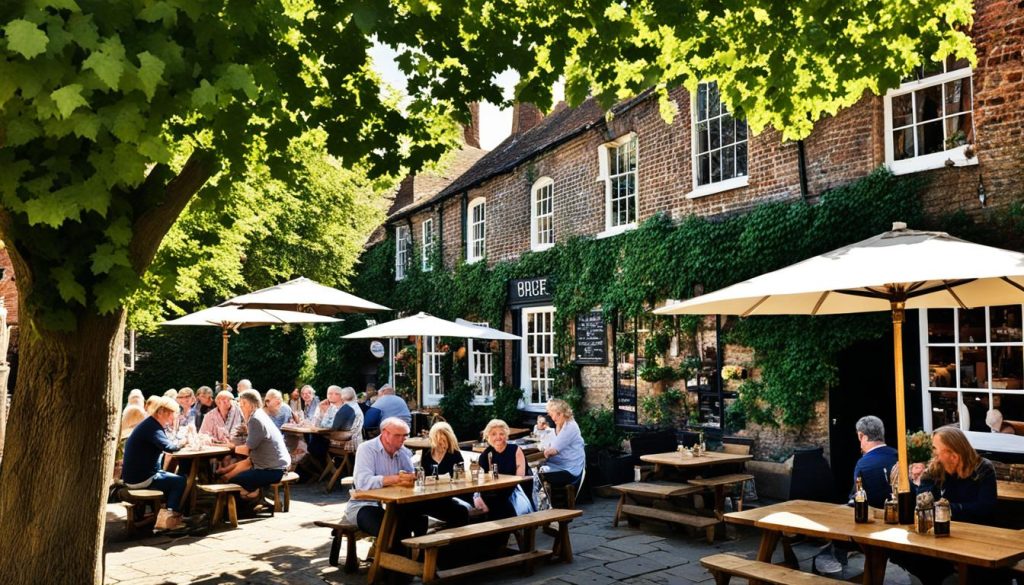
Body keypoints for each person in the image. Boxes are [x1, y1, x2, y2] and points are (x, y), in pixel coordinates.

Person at [896, 426, 1004, 584]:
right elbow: (924, 504)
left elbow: (986, 508)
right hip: (942, 537)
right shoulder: (934, 469)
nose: (934, 455)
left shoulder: (982, 468)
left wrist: (947, 508)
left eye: (936, 449)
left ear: (954, 453)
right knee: (913, 556)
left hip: (977, 537)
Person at [817, 415, 898, 574]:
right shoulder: (897, 455)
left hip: (874, 525)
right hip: (897, 517)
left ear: (862, 436)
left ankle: (837, 560)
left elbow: (858, 497)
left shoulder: (864, 463)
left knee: (838, 520)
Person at [344, 417, 425, 551]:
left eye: (405, 435)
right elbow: (362, 483)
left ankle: (420, 561)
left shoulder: (404, 452)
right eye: (398, 435)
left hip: (395, 505)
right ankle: (393, 568)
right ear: (385, 433)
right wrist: (396, 479)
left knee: (420, 519)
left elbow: (411, 477)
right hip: (364, 505)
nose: (403, 439)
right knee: (393, 530)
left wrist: (411, 477)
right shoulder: (367, 449)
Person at [121, 397, 193, 531]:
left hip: (134, 476)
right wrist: (184, 442)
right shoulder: (152, 427)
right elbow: (169, 447)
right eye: (172, 413)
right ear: (161, 412)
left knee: (173, 477)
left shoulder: (150, 424)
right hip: (141, 478)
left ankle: (168, 513)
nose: (174, 416)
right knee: (180, 481)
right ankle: (169, 518)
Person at [220, 390, 291, 504]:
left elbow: (247, 449)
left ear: (247, 404)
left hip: (273, 470)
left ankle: (242, 511)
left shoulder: (255, 419)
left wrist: (230, 447)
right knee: (239, 474)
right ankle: (254, 498)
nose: (240, 408)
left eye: (241, 405)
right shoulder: (261, 414)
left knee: (234, 482)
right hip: (279, 466)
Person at [476, 419, 533, 519]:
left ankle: (501, 531)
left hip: (515, 490)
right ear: (488, 436)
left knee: (499, 504)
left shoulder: (515, 450)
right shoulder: (485, 455)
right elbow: (481, 480)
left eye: (501, 433)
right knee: (490, 502)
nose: (498, 437)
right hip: (494, 492)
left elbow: (520, 477)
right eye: (493, 434)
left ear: (506, 435)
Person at [540, 398, 586, 492]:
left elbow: (552, 451)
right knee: (536, 471)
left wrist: (545, 451)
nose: (552, 418)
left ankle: (543, 504)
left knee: (536, 474)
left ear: (560, 413)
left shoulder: (570, 427)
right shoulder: (562, 425)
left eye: (552, 415)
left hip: (569, 471)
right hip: (561, 466)